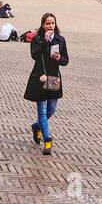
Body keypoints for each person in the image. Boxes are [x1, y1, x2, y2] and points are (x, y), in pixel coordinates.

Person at [25, 12, 69, 155]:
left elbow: (66, 61)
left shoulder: (60, 39)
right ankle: (47, 139)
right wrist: (44, 41)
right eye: (47, 23)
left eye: (52, 23)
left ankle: (37, 127)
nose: (50, 26)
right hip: (40, 77)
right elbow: (34, 55)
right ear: (43, 25)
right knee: (42, 111)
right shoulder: (37, 39)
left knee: (52, 109)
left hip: (54, 77)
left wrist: (59, 58)